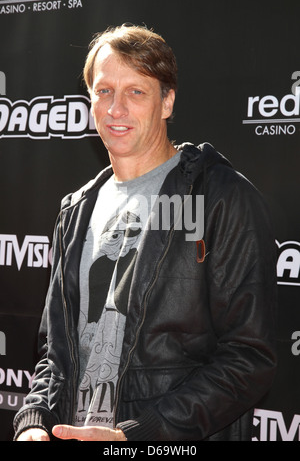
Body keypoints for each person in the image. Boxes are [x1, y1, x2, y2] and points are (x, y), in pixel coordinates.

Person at [13, 24, 277, 442]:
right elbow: (54, 354)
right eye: (104, 91)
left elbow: (249, 356)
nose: (116, 108)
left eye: (136, 92)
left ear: (167, 101)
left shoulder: (219, 197)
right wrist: (33, 421)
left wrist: (140, 435)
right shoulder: (77, 209)